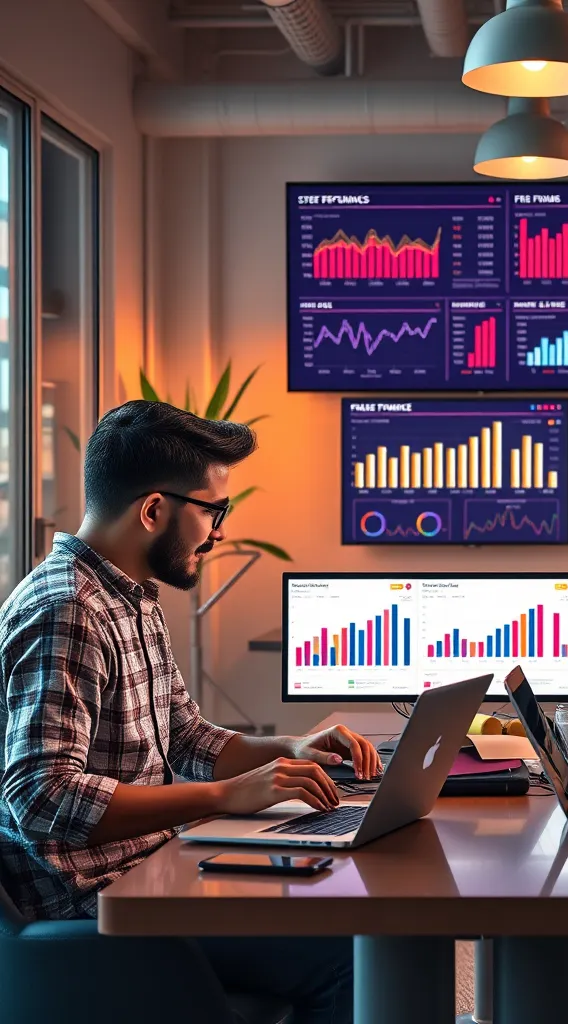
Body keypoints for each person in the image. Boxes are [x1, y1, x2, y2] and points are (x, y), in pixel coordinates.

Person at [0, 400, 380, 1024]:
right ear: (154, 510)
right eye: (214, 511)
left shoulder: (130, 596)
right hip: (97, 906)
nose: (221, 531)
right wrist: (223, 796)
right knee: (353, 952)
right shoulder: (68, 608)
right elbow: (44, 799)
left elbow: (187, 735)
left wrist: (292, 749)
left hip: (154, 870)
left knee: (340, 902)